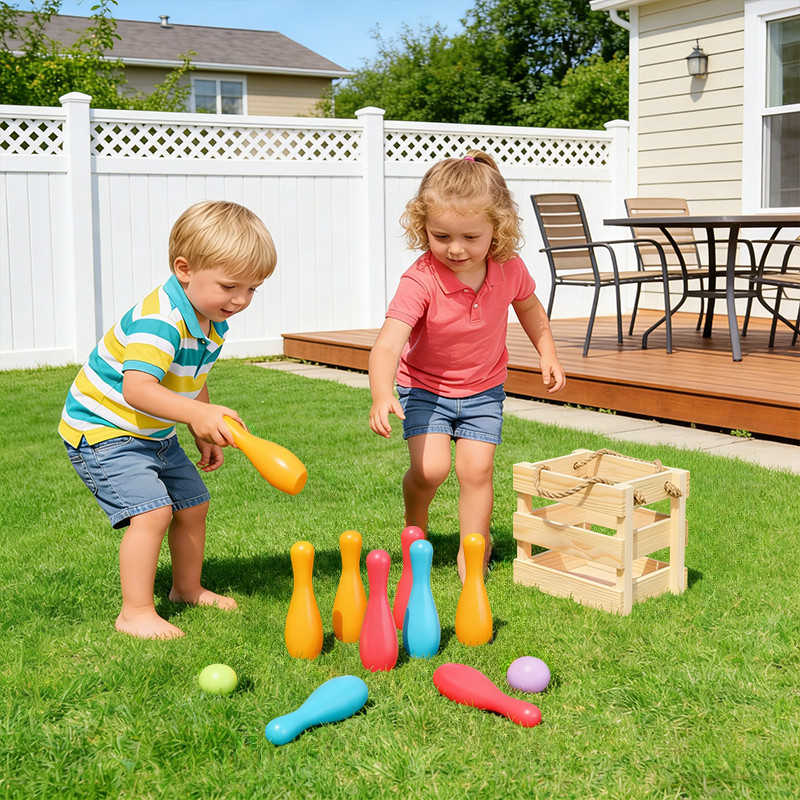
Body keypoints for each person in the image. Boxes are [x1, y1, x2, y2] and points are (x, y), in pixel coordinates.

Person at [59, 200, 277, 639]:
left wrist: (202, 428)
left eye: (252, 289)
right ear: (184, 269)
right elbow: (137, 389)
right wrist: (197, 413)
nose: (240, 300)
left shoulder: (211, 319)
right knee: (153, 513)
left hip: (152, 430)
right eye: (230, 286)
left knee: (194, 504)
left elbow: (192, 377)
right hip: (103, 430)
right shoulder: (159, 320)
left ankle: (187, 589)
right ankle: (135, 612)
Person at [368, 151, 566, 582]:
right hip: (426, 390)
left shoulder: (509, 268)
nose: (456, 249)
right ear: (422, 226)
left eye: (470, 237)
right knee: (430, 470)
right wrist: (382, 393)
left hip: (483, 390)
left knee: (476, 471)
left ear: (498, 229)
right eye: (441, 236)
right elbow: (387, 345)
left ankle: (472, 555)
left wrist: (547, 351)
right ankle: (415, 528)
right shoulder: (420, 279)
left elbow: (530, 308)